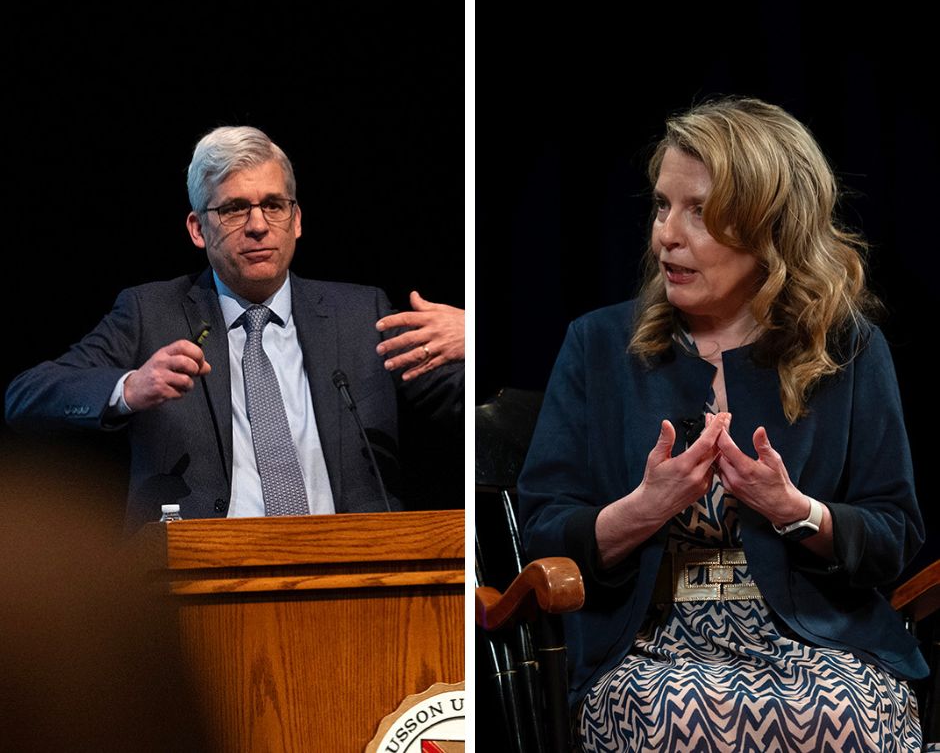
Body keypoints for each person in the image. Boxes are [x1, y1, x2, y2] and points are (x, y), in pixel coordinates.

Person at [516, 98, 927, 750]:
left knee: (844, 714)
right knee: (674, 716)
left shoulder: (847, 346)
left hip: (816, 638)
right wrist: (643, 509)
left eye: (699, 213)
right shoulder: (598, 345)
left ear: (770, 228)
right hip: (649, 647)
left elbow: (893, 535)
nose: (665, 236)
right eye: (661, 205)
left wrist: (797, 511)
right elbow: (541, 533)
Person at [4, 126, 464, 531]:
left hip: (356, 570)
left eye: (273, 205)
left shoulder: (361, 312)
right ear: (197, 228)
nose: (259, 226)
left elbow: (464, 408)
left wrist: (471, 342)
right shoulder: (150, 313)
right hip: (206, 580)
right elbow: (27, 395)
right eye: (234, 210)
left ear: (297, 219)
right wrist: (129, 387)